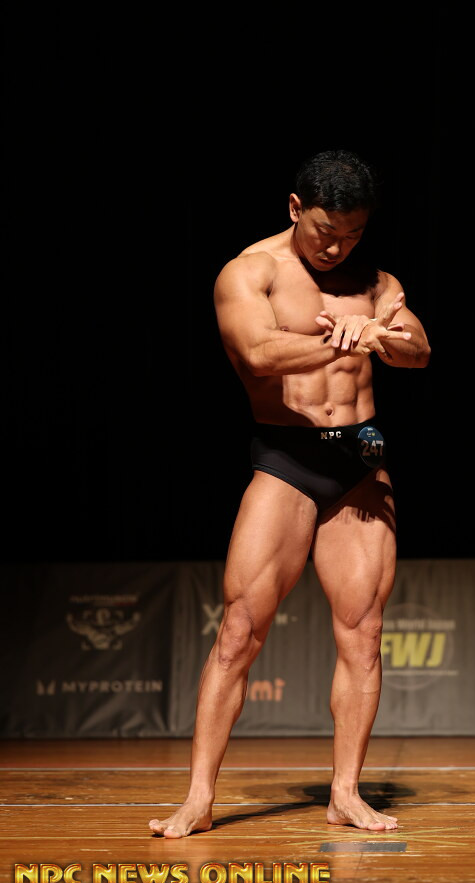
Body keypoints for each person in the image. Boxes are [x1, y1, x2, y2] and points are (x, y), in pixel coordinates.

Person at [149, 149, 430, 838]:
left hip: (360, 461)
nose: (338, 248)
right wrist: (349, 343)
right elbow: (258, 354)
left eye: (354, 234)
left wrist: (383, 336)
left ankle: (345, 793)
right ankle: (198, 799)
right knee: (240, 631)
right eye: (327, 232)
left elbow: (419, 350)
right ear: (296, 208)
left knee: (364, 632)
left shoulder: (378, 281)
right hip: (287, 456)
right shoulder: (251, 272)